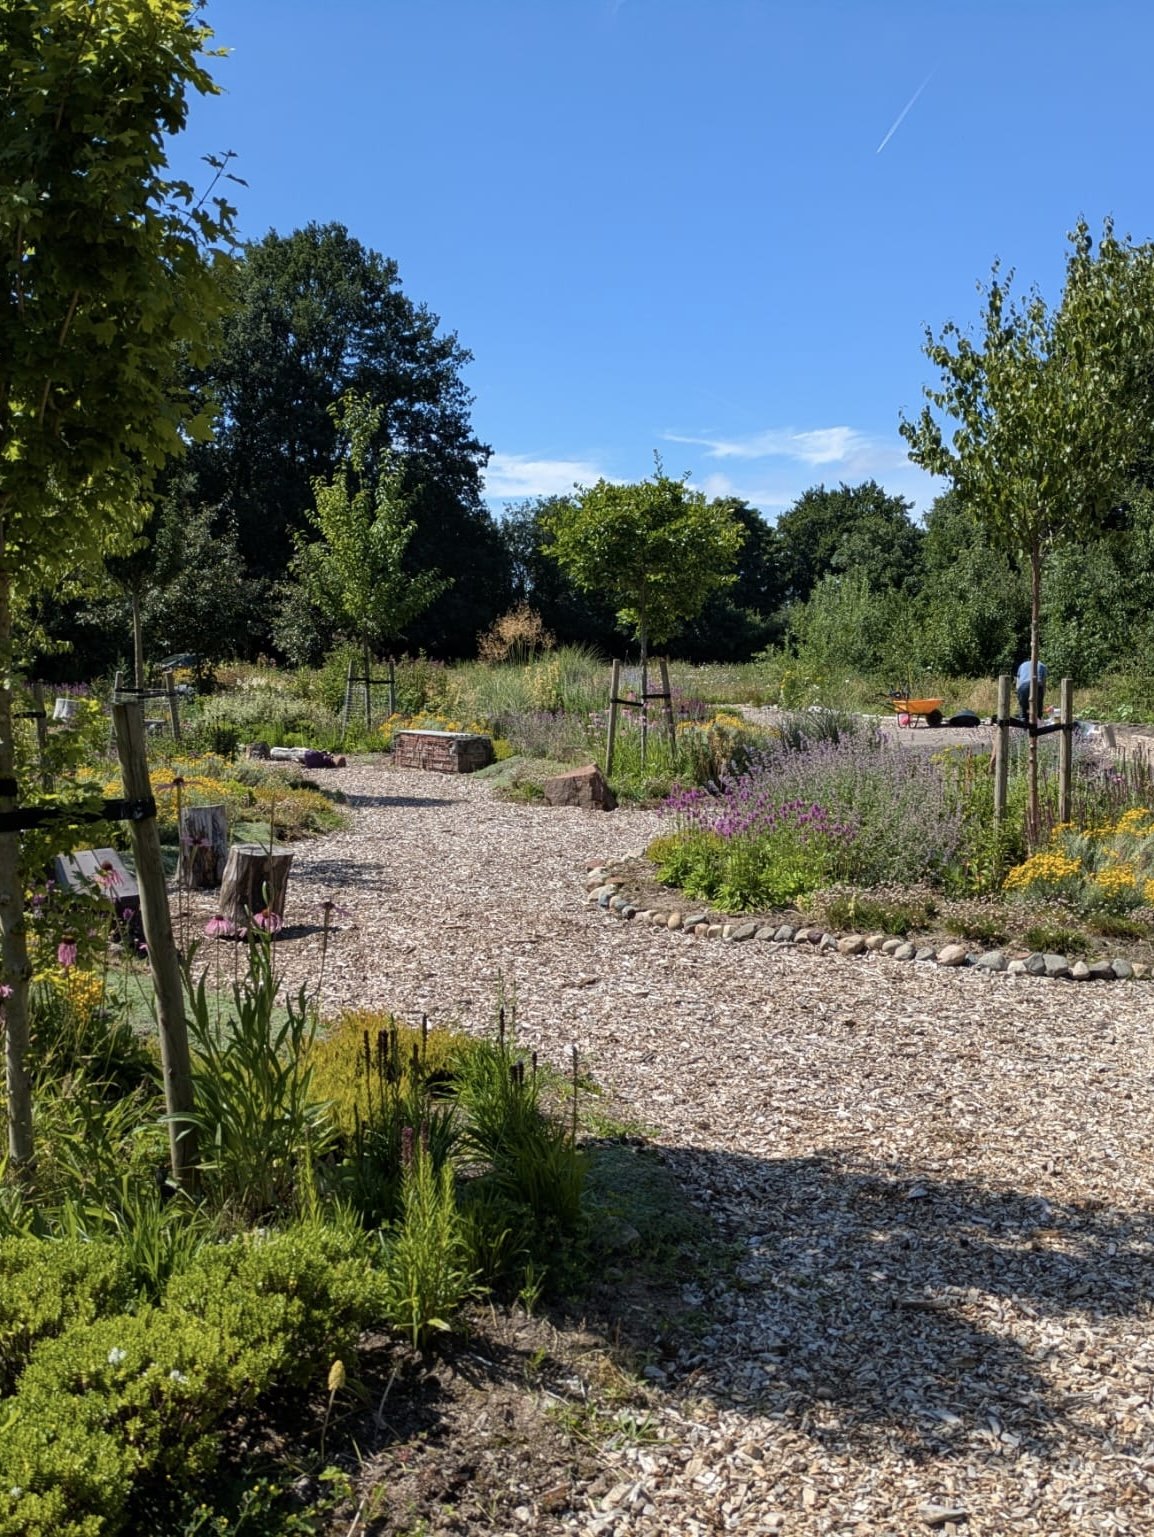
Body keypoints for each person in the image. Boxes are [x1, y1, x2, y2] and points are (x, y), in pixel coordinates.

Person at [1015, 657, 1047, 722]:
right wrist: (1042, 695)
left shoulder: (1022, 665)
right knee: (1038, 710)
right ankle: (1037, 723)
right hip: (1037, 685)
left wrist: (1019, 695)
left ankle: (1023, 723)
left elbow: (1018, 684)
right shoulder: (1042, 665)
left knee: (1023, 710)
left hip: (1023, 687)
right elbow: (1043, 683)